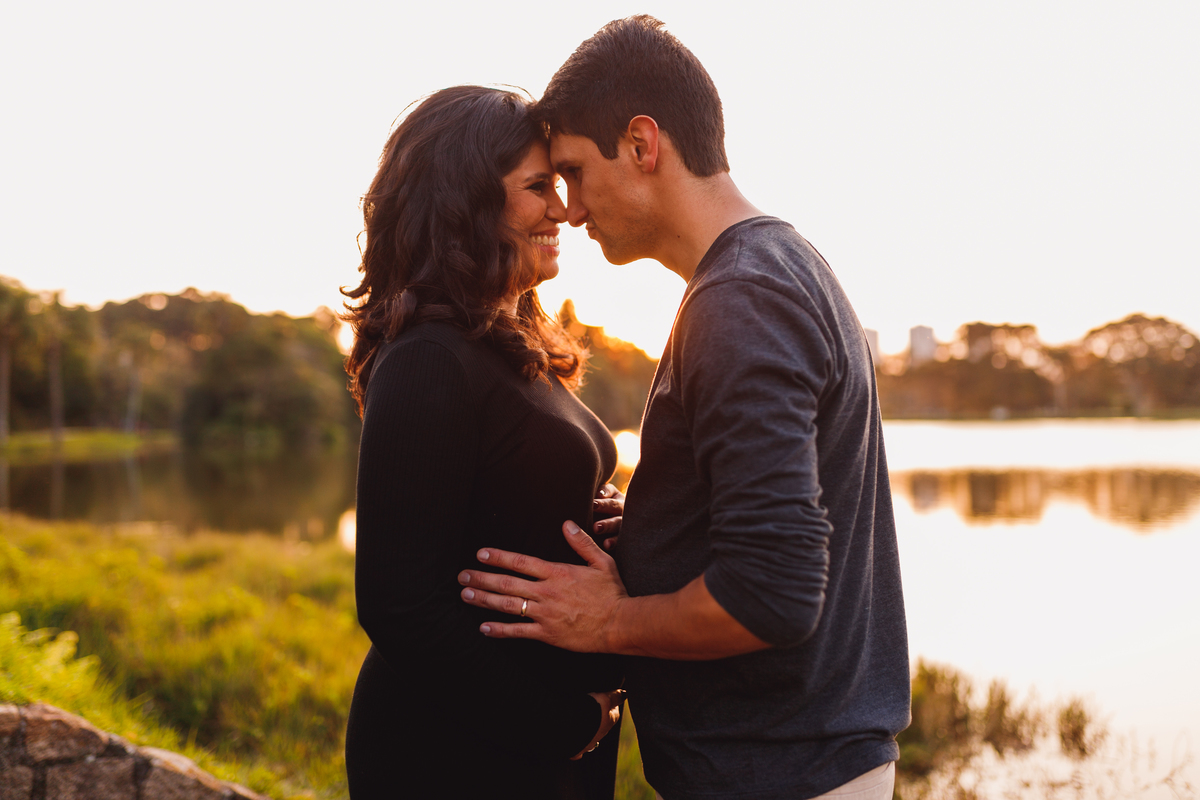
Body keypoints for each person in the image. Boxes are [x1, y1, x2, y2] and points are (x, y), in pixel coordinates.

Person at [457, 17, 910, 800]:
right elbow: (782, 534)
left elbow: (769, 595)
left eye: (571, 171)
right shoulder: (775, 267)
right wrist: (656, 532)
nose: (566, 209)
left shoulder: (744, 300)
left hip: (778, 775)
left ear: (641, 144)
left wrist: (606, 623)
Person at [341, 85, 625, 800]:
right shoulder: (429, 358)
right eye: (538, 188)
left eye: (558, 184)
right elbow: (398, 603)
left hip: (540, 745)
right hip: (457, 753)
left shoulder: (510, 347)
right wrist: (562, 724)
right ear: (465, 200)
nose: (562, 208)